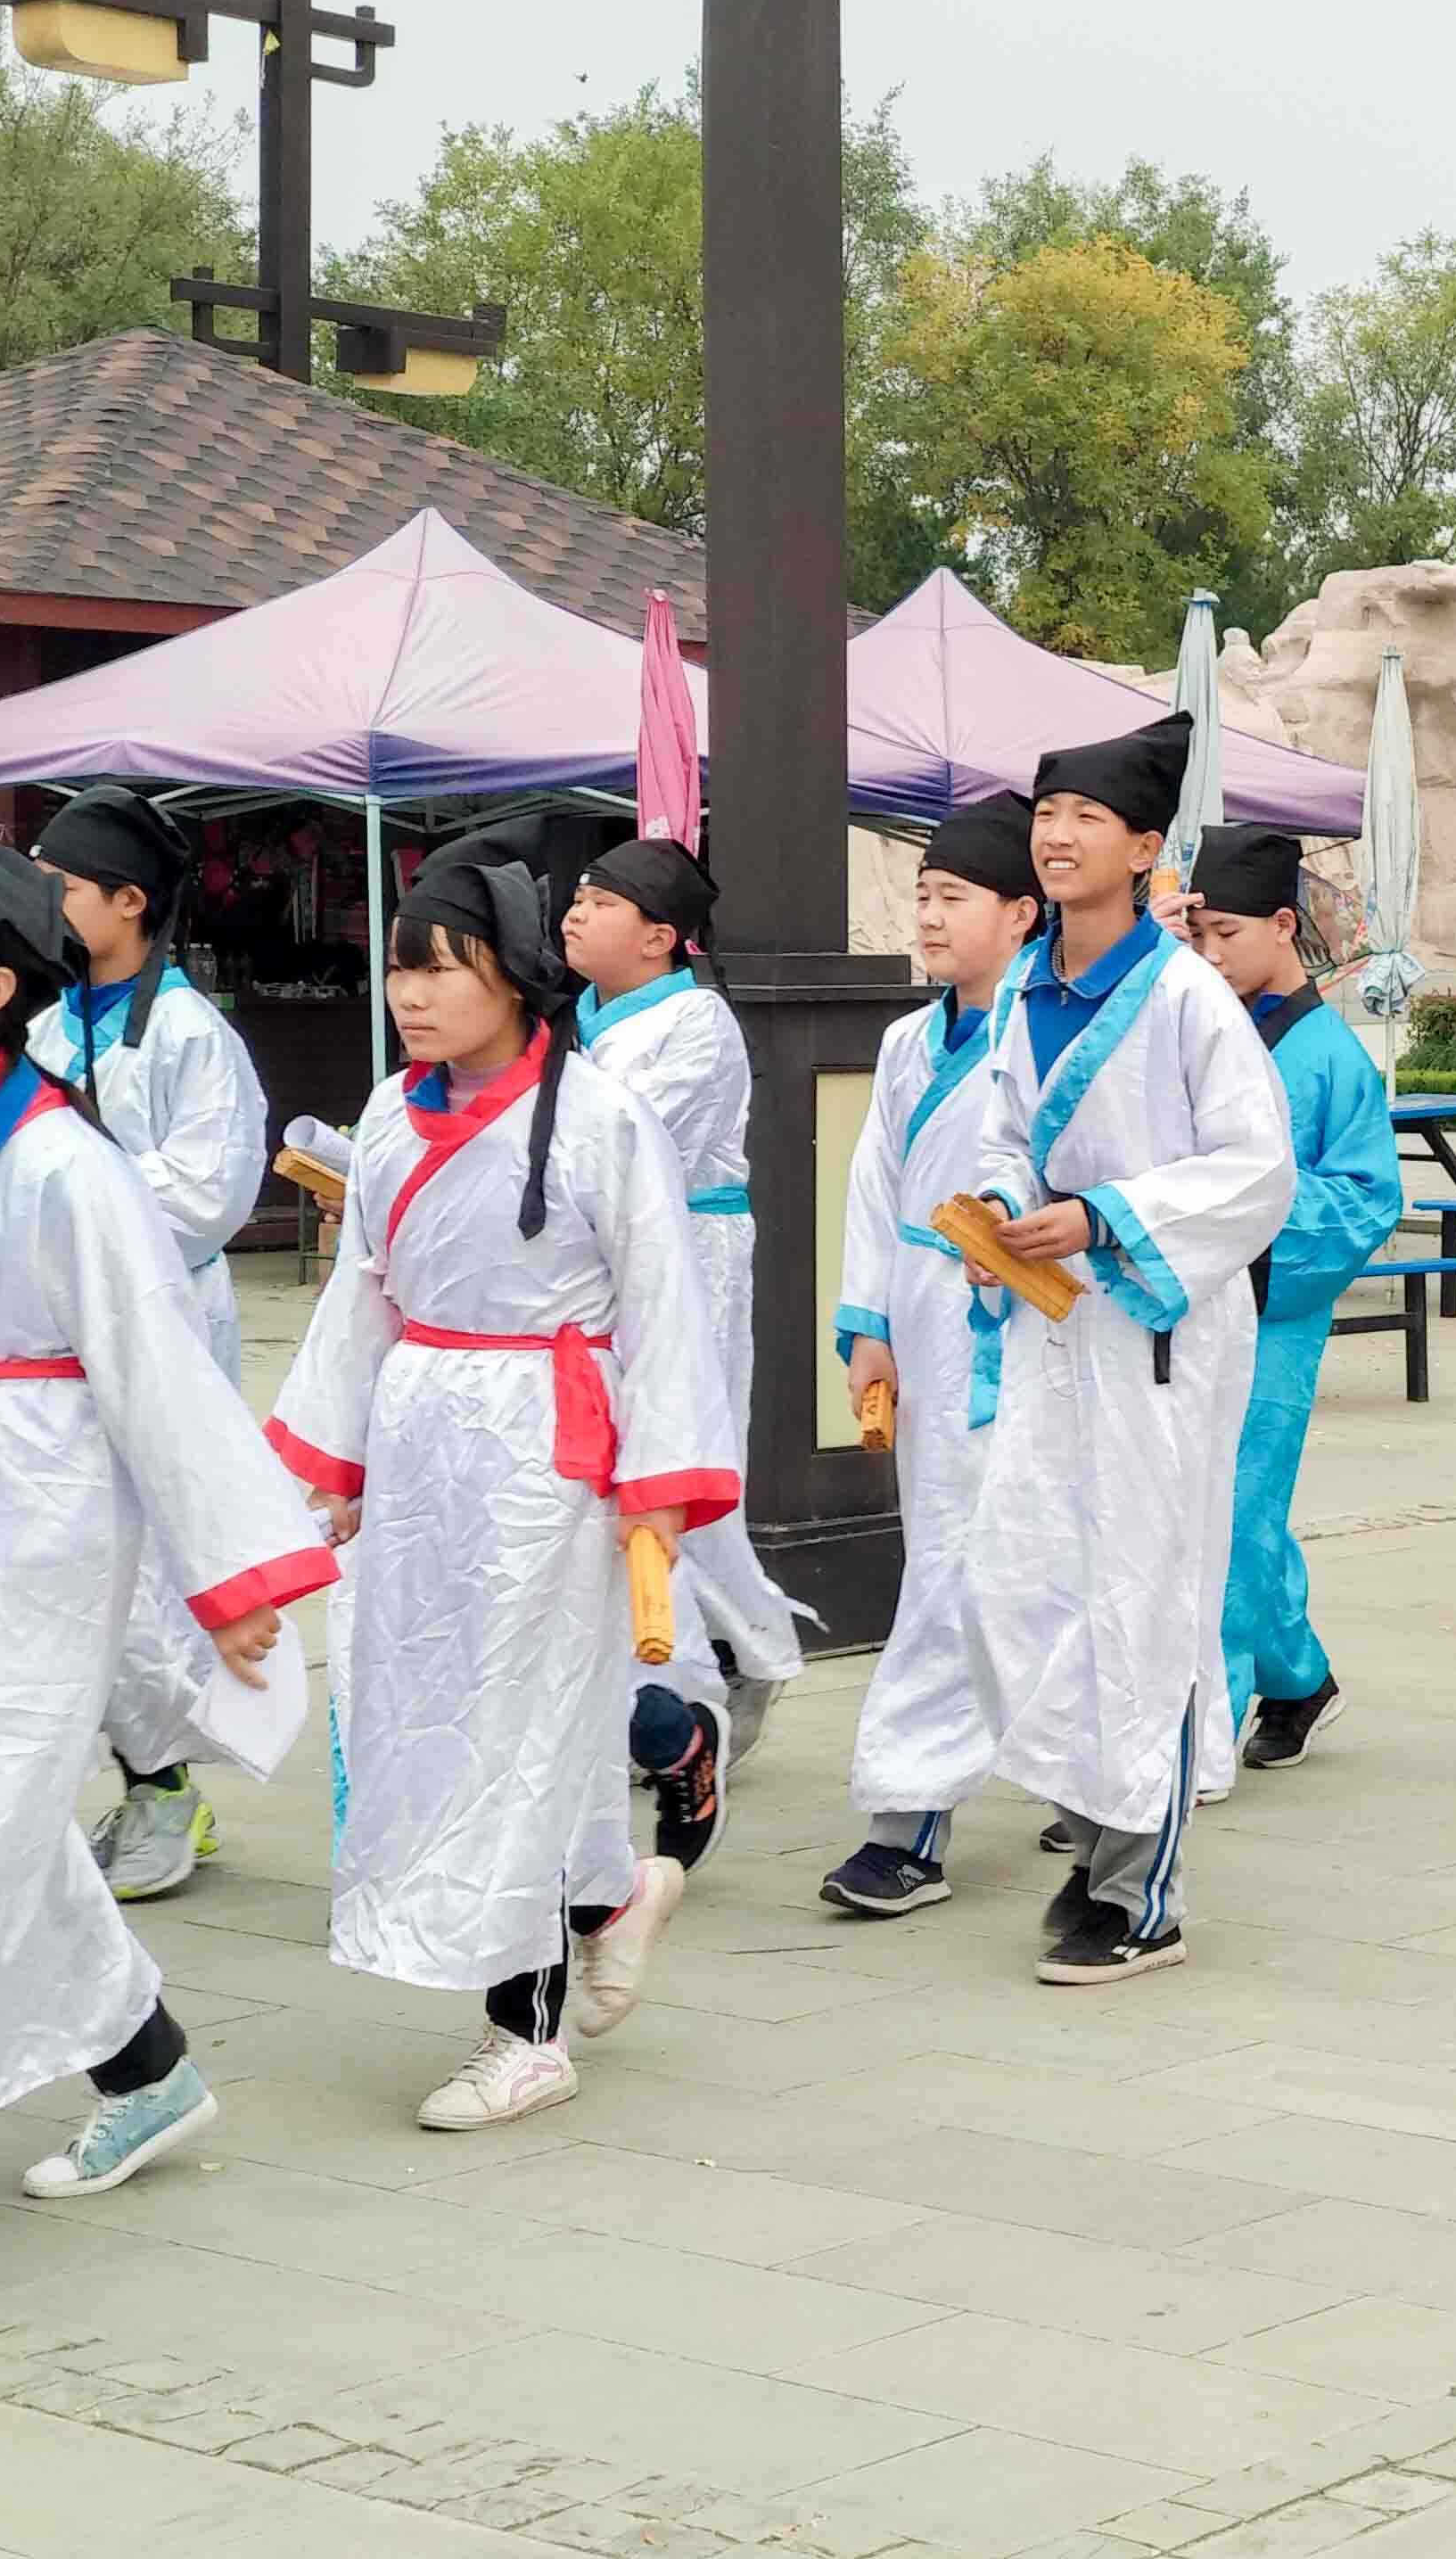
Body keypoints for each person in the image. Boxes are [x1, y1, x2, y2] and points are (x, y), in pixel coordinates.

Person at [267, 840, 735, 2127]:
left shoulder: (600, 1117)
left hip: (546, 1449)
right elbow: (362, 1292)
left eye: (442, 968)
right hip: (423, 1429)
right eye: (400, 968)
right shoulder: (388, 1110)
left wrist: (656, 1482)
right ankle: (609, 1896)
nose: (410, 995)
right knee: (439, 1702)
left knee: (512, 1723)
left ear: (515, 976)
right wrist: (338, 1463)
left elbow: (662, 1301)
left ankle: (524, 2030)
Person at [0, 847, 330, 2226]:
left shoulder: (62, 1166)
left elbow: (158, 1369)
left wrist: (233, 1574)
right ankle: (144, 2068)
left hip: (34, 1526)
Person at [964, 716, 1297, 1973]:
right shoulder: (1027, 988)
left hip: (1157, 1334)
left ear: (1147, 849)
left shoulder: (1188, 997)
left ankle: (1138, 1884)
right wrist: (1001, 1204)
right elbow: (1005, 1130)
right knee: (1030, 1578)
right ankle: (1093, 1823)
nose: (1056, 838)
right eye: (1047, 815)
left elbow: (1257, 1171)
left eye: (1087, 820)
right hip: (1053, 1324)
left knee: (1146, 1594)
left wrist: (1106, 1216)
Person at [27, 786, 272, 1904]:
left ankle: (166, 1783)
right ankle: (147, 1774)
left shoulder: (190, 1033)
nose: (46, 899)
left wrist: (71, 1205)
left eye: (63, 883)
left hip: (161, 1321)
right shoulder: (42, 1019)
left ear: (129, 902)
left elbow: (208, 1195)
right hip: (57, 1331)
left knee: (154, 1566)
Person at [820, 801, 1045, 1917]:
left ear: (1022, 913)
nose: (929, 916)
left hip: (1024, 1316)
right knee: (956, 1550)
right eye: (921, 896)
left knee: (997, 1558)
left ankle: (917, 1811)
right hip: (922, 1308)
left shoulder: (1049, 1034)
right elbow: (873, 1185)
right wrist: (867, 1323)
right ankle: (1064, 1772)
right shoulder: (909, 1041)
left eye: (953, 897)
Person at [563, 839, 813, 1841]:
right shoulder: (581, 1018)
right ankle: (685, 1675)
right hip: (602, 1265)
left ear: (660, 938)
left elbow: (625, 1148)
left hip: (688, 1260)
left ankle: (748, 1654)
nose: (576, 913)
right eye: (577, 897)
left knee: (684, 1472)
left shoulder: (696, 1025)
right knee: (634, 1477)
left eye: (601, 902)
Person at [1175, 819, 1402, 1773]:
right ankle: (1299, 1675)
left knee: (1231, 1510)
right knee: (1199, 1507)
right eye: (1197, 934)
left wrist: (1244, 1214)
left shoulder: (1331, 1055)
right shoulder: (1190, 1027)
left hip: (1272, 1312)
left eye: (1226, 933)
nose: (1210, 952)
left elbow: (1369, 1199)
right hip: (1181, 1301)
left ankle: (1199, 1732)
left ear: (1281, 925)